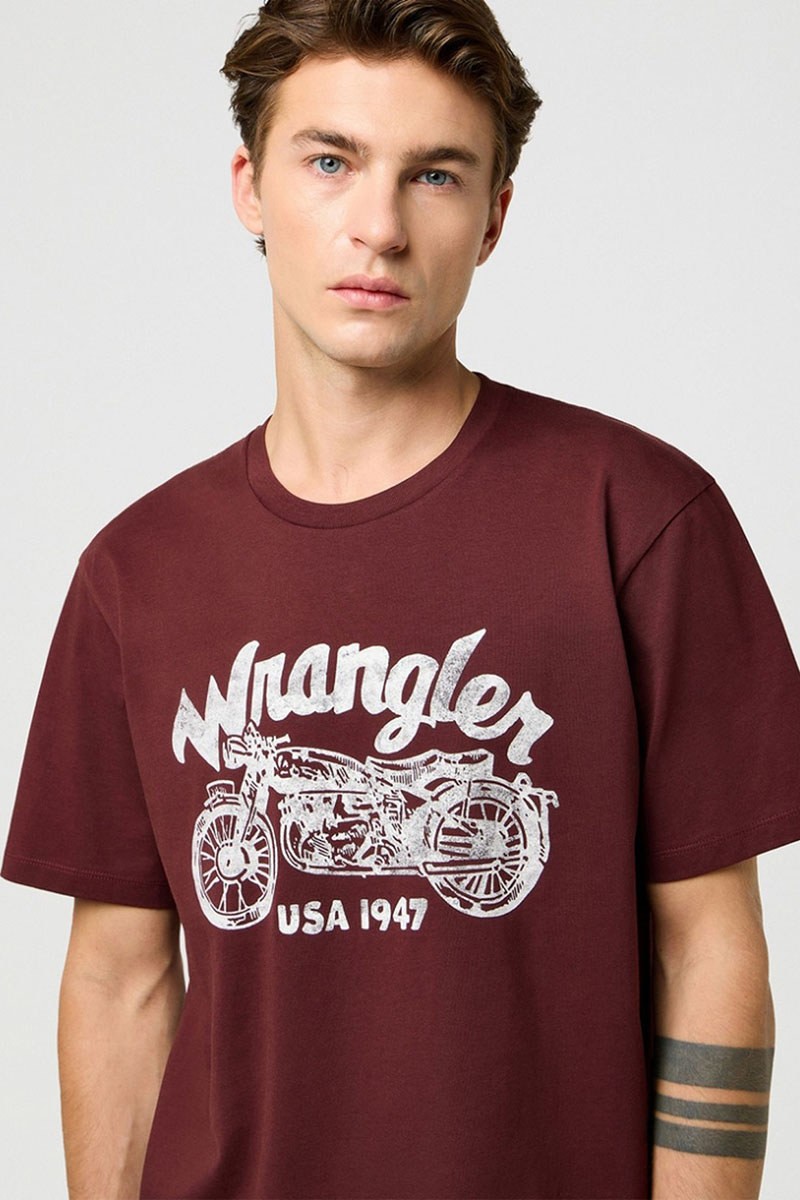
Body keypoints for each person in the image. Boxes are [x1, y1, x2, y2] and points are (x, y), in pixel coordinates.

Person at [2, 1, 799, 1197]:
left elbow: (710, 948)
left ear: (492, 217)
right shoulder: (137, 571)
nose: (377, 227)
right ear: (250, 188)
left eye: (433, 174)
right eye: (329, 161)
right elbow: (118, 980)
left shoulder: (640, 518)